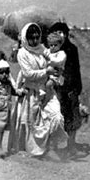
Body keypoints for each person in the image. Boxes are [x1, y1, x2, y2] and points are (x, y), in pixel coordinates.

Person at [15, 22, 67, 158]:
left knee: (56, 116)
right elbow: (28, 74)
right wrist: (46, 71)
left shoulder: (42, 48)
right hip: (33, 92)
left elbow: (53, 60)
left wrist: (57, 66)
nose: (35, 40)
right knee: (35, 123)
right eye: (32, 38)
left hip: (47, 90)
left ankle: (52, 146)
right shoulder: (22, 53)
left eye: (37, 37)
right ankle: (36, 150)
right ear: (26, 38)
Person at [47, 22, 83, 156]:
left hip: (70, 88)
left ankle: (71, 145)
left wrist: (77, 88)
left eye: (61, 32)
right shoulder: (50, 50)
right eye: (56, 32)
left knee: (72, 117)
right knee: (55, 116)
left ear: (66, 34)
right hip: (55, 88)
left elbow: (76, 69)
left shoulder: (72, 49)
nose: (59, 35)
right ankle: (53, 146)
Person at [40, 32, 67, 104]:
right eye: (51, 45)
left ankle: (47, 100)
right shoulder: (48, 52)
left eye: (55, 45)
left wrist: (49, 59)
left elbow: (58, 61)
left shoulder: (61, 53)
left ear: (60, 45)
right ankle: (42, 97)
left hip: (55, 76)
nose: (53, 47)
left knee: (49, 85)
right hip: (47, 73)